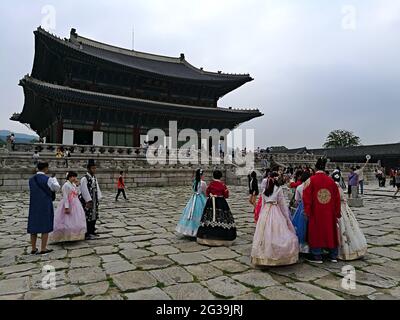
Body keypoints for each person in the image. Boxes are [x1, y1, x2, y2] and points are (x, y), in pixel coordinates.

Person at [251, 173, 299, 267]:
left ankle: (263, 255)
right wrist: (286, 217)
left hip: (265, 212)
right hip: (275, 210)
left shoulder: (264, 191)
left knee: (264, 234)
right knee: (278, 233)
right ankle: (277, 255)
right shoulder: (278, 189)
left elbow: (262, 205)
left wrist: (260, 215)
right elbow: (282, 204)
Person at [303, 158, 341, 264]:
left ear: (315, 168)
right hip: (329, 212)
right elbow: (337, 198)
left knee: (316, 232)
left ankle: (317, 255)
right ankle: (333, 255)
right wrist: (337, 212)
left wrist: (307, 211)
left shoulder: (311, 180)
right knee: (330, 231)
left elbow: (307, 198)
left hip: (316, 212)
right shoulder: (331, 181)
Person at [332, 172, 368, 260]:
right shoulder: (338, 185)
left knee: (342, 227)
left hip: (339, 207)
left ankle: (343, 251)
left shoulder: (335, 185)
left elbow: (338, 197)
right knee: (350, 226)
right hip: (344, 208)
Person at [27, 162, 60, 254]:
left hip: (34, 204)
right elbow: (56, 188)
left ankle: (33, 248)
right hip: (45, 204)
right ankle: (43, 248)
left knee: (33, 226)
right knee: (45, 226)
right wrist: (54, 179)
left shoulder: (31, 179)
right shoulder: (48, 179)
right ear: (46, 168)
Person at [197, 170, 236, 246]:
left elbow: (207, 193)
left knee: (209, 217)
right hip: (221, 202)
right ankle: (222, 237)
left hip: (211, 202)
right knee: (222, 217)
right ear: (220, 176)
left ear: (213, 176)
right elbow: (226, 195)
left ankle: (207, 237)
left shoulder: (211, 184)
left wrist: (212, 195)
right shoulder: (223, 185)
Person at [50, 171, 87, 243]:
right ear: (69, 177)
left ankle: (73, 235)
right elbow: (65, 197)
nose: (74, 178)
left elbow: (77, 193)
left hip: (75, 203)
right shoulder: (66, 185)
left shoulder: (73, 184)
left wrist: (78, 185)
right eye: (73, 177)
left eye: (75, 177)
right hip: (68, 204)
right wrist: (66, 207)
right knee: (66, 220)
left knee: (75, 220)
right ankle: (64, 236)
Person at [176, 169, 207, 237]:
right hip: (200, 199)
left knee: (191, 213)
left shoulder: (195, 182)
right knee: (201, 212)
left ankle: (190, 231)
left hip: (193, 199)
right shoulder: (203, 183)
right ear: (201, 175)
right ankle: (198, 231)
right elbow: (205, 193)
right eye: (203, 174)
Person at [80, 159, 102, 240]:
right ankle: (87, 233)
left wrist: (98, 197)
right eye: (92, 168)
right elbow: (84, 190)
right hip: (88, 201)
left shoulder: (94, 178)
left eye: (95, 168)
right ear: (88, 169)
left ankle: (92, 230)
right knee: (87, 216)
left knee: (94, 215)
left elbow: (97, 188)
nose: (94, 170)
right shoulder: (84, 178)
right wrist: (88, 200)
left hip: (94, 199)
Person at [291, 171, 311, 253]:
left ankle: (301, 244)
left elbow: (296, 200)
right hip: (311, 206)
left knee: (301, 226)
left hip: (301, 207)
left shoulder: (299, 187)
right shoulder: (311, 186)